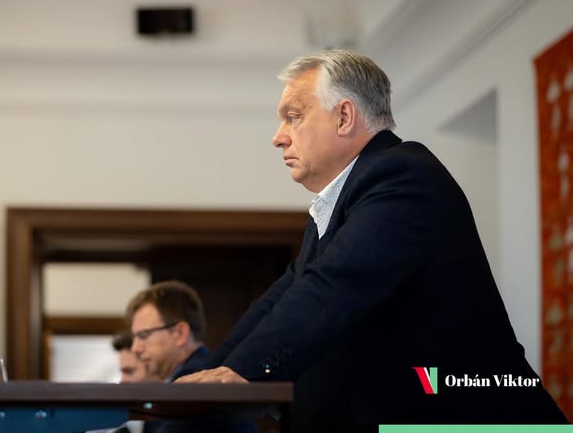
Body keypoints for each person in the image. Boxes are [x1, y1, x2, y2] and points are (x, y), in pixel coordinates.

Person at [176, 50, 568, 431]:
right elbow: (281, 298)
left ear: (344, 116)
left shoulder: (403, 176)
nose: (278, 137)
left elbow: (332, 286)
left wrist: (242, 373)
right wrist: (206, 377)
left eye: (293, 117)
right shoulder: (340, 204)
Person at [126, 280, 257, 433]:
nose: (135, 348)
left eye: (143, 335)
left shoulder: (202, 381)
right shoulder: (187, 375)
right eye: (134, 337)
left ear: (179, 333)